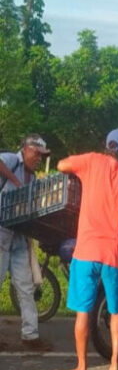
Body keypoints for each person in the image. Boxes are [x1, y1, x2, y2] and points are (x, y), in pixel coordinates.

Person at [58, 129, 118, 370]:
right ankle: (115, 362)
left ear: (107, 147)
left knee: (84, 311)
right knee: (116, 311)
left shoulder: (92, 160)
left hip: (87, 250)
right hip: (114, 253)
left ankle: (81, 368)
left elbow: (61, 165)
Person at [0, 134, 53, 352]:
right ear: (27, 150)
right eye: (38, 154)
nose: (40, 159)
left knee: (25, 287)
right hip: (2, 231)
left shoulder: (34, 178)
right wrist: (14, 180)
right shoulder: (12, 159)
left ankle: (30, 336)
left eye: (42, 156)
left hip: (20, 237)